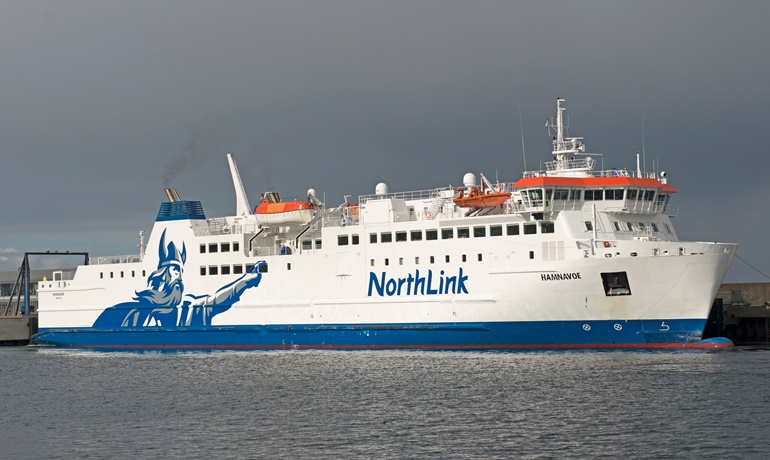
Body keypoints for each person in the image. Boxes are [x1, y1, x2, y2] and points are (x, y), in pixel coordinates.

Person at [92, 229, 264, 328]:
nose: (179, 277)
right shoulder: (127, 312)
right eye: (175, 270)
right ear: (162, 274)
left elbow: (216, 301)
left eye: (180, 271)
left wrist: (244, 282)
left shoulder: (188, 308)